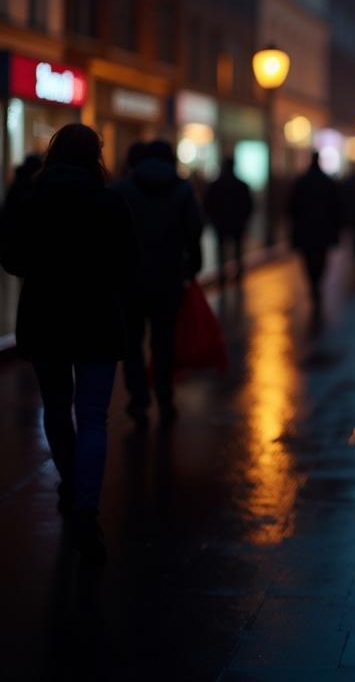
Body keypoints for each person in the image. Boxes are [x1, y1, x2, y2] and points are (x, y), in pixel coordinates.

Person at [0, 125, 140, 559]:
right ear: (95, 156)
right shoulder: (111, 201)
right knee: (94, 416)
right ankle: (86, 509)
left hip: (46, 318)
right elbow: (127, 264)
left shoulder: (31, 198)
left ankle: (69, 479)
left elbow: (13, 259)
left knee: (57, 410)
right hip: (97, 318)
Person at [115, 139, 203, 425]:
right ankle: (165, 396)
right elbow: (194, 231)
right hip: (169, 277)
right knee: (164, 340)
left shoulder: (123, 189)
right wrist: (193, 267)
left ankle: (138, 398)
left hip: (130, 278)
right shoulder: (182, 190)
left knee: (132, 341)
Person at [287, 151, 342, 318]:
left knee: (307, 259)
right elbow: (337, 208)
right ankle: (316, 284)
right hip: (323, 230)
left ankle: (313, 284)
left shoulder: (301, 182)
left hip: (306, 230)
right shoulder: (327, 182)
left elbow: (292, 207)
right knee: (321, 259)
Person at [204, 155, 254, 289]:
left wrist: (213, 220)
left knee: (221, 251)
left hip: (221, 223)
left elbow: (208, 205)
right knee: (237, 250)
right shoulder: (241, 185)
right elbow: (248, 205)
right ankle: (238, 275)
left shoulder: (216, 185)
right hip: (236, 223)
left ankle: (222, 275)